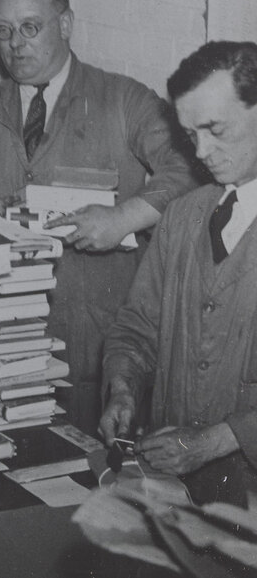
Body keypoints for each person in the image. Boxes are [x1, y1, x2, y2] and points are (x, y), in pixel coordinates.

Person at [0, 0, 197, 434]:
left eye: (30, 27)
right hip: (0, 339)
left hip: (94, 345)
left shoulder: (123, 99)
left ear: (66, 25)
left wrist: (124, 217)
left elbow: (192, 166)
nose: (15, 43)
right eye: (3, 31)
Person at [100, 41, 257, 505]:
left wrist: (219, 439)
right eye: (191, 135)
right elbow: (137, 328)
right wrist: (123, 387)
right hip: (179, 494)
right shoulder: (184, 217)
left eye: (214, 129)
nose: (202, 151)